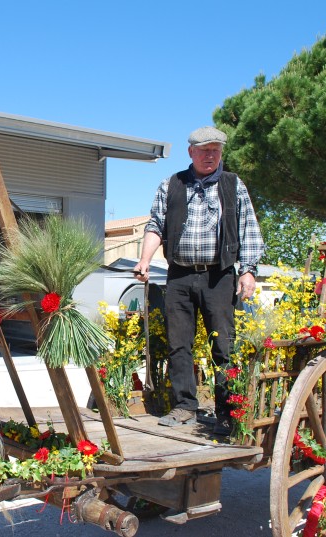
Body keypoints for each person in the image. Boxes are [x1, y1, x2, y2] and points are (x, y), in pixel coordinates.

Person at [134, 126, 263, 436]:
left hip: (218, 276)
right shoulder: (172, 184)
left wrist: (248, 270)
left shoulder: (234, 185)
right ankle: (184, 407)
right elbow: (155, 225)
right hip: (178, 274)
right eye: (204, 149)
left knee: (223, 345)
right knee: (179, 344)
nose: (210, 155)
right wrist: (145, 260)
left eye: (216, 150)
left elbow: (248, 229)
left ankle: (228, 412)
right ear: (190, 152)